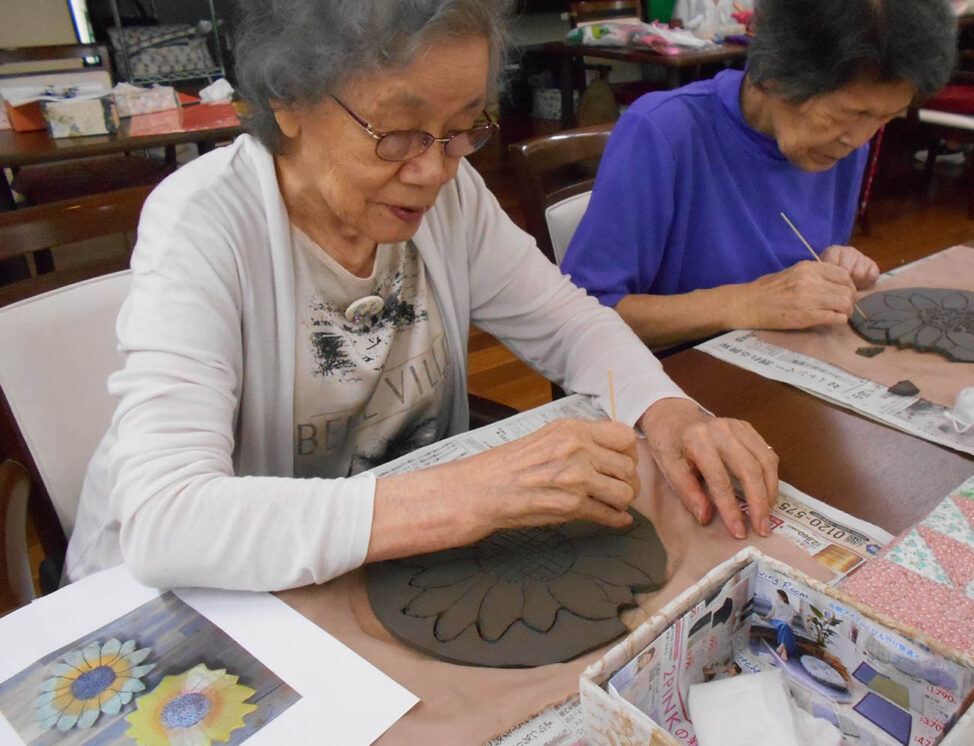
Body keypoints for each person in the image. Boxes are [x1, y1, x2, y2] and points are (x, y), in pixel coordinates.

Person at [63, 0, 780, 592]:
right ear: (288, 101)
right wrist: (468, 493)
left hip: (358, 572)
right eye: (400, 132)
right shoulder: (207, 223)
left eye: (463, 127)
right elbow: (167, 521)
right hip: (185, 598)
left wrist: (669, 411)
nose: (435, 170)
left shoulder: (453, 196)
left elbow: (570, 327)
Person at [561, 0, 957, 349]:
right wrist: (744, 302)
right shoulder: (664, 133)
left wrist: (830, 267)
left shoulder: (845, 146)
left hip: (778, 376)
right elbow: (584, 314)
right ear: (776, 70)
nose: (858, 138)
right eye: (844, 114)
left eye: (885, 117)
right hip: (674, 390)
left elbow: (790, 272)